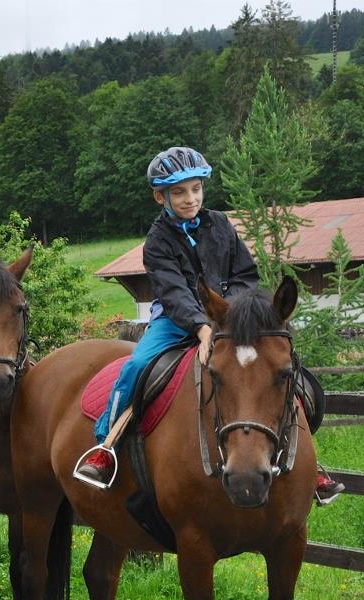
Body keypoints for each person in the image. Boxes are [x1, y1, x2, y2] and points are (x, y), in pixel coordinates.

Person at [73, 146, 344, 506]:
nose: (190, 199)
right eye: (180, 192)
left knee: (283, 373)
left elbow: (245, 274)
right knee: (136, 367)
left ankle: (308, 463)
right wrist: (202, 326)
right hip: (175, 319)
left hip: (230, 320)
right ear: (161, 196)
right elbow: (172, 291)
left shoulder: (220, 224)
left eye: (196, 189)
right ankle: (106, 446)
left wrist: (236, 314)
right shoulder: (157, 241)